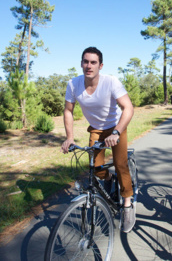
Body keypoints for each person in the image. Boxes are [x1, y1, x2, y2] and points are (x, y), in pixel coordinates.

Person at [61, 46, 136, 233]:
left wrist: (117, 132)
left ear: (100, 65)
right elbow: (68, 111)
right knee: (95, 168)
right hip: (96, 129)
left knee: (121, 164)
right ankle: (109, 179)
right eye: (85, 61)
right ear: (81, 64)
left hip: (116, 127)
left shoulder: (111, 82)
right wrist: (69, 137)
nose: (89, 65)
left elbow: (128, 108)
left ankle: (127, 204)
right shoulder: (73, 84)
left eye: (93, 62)